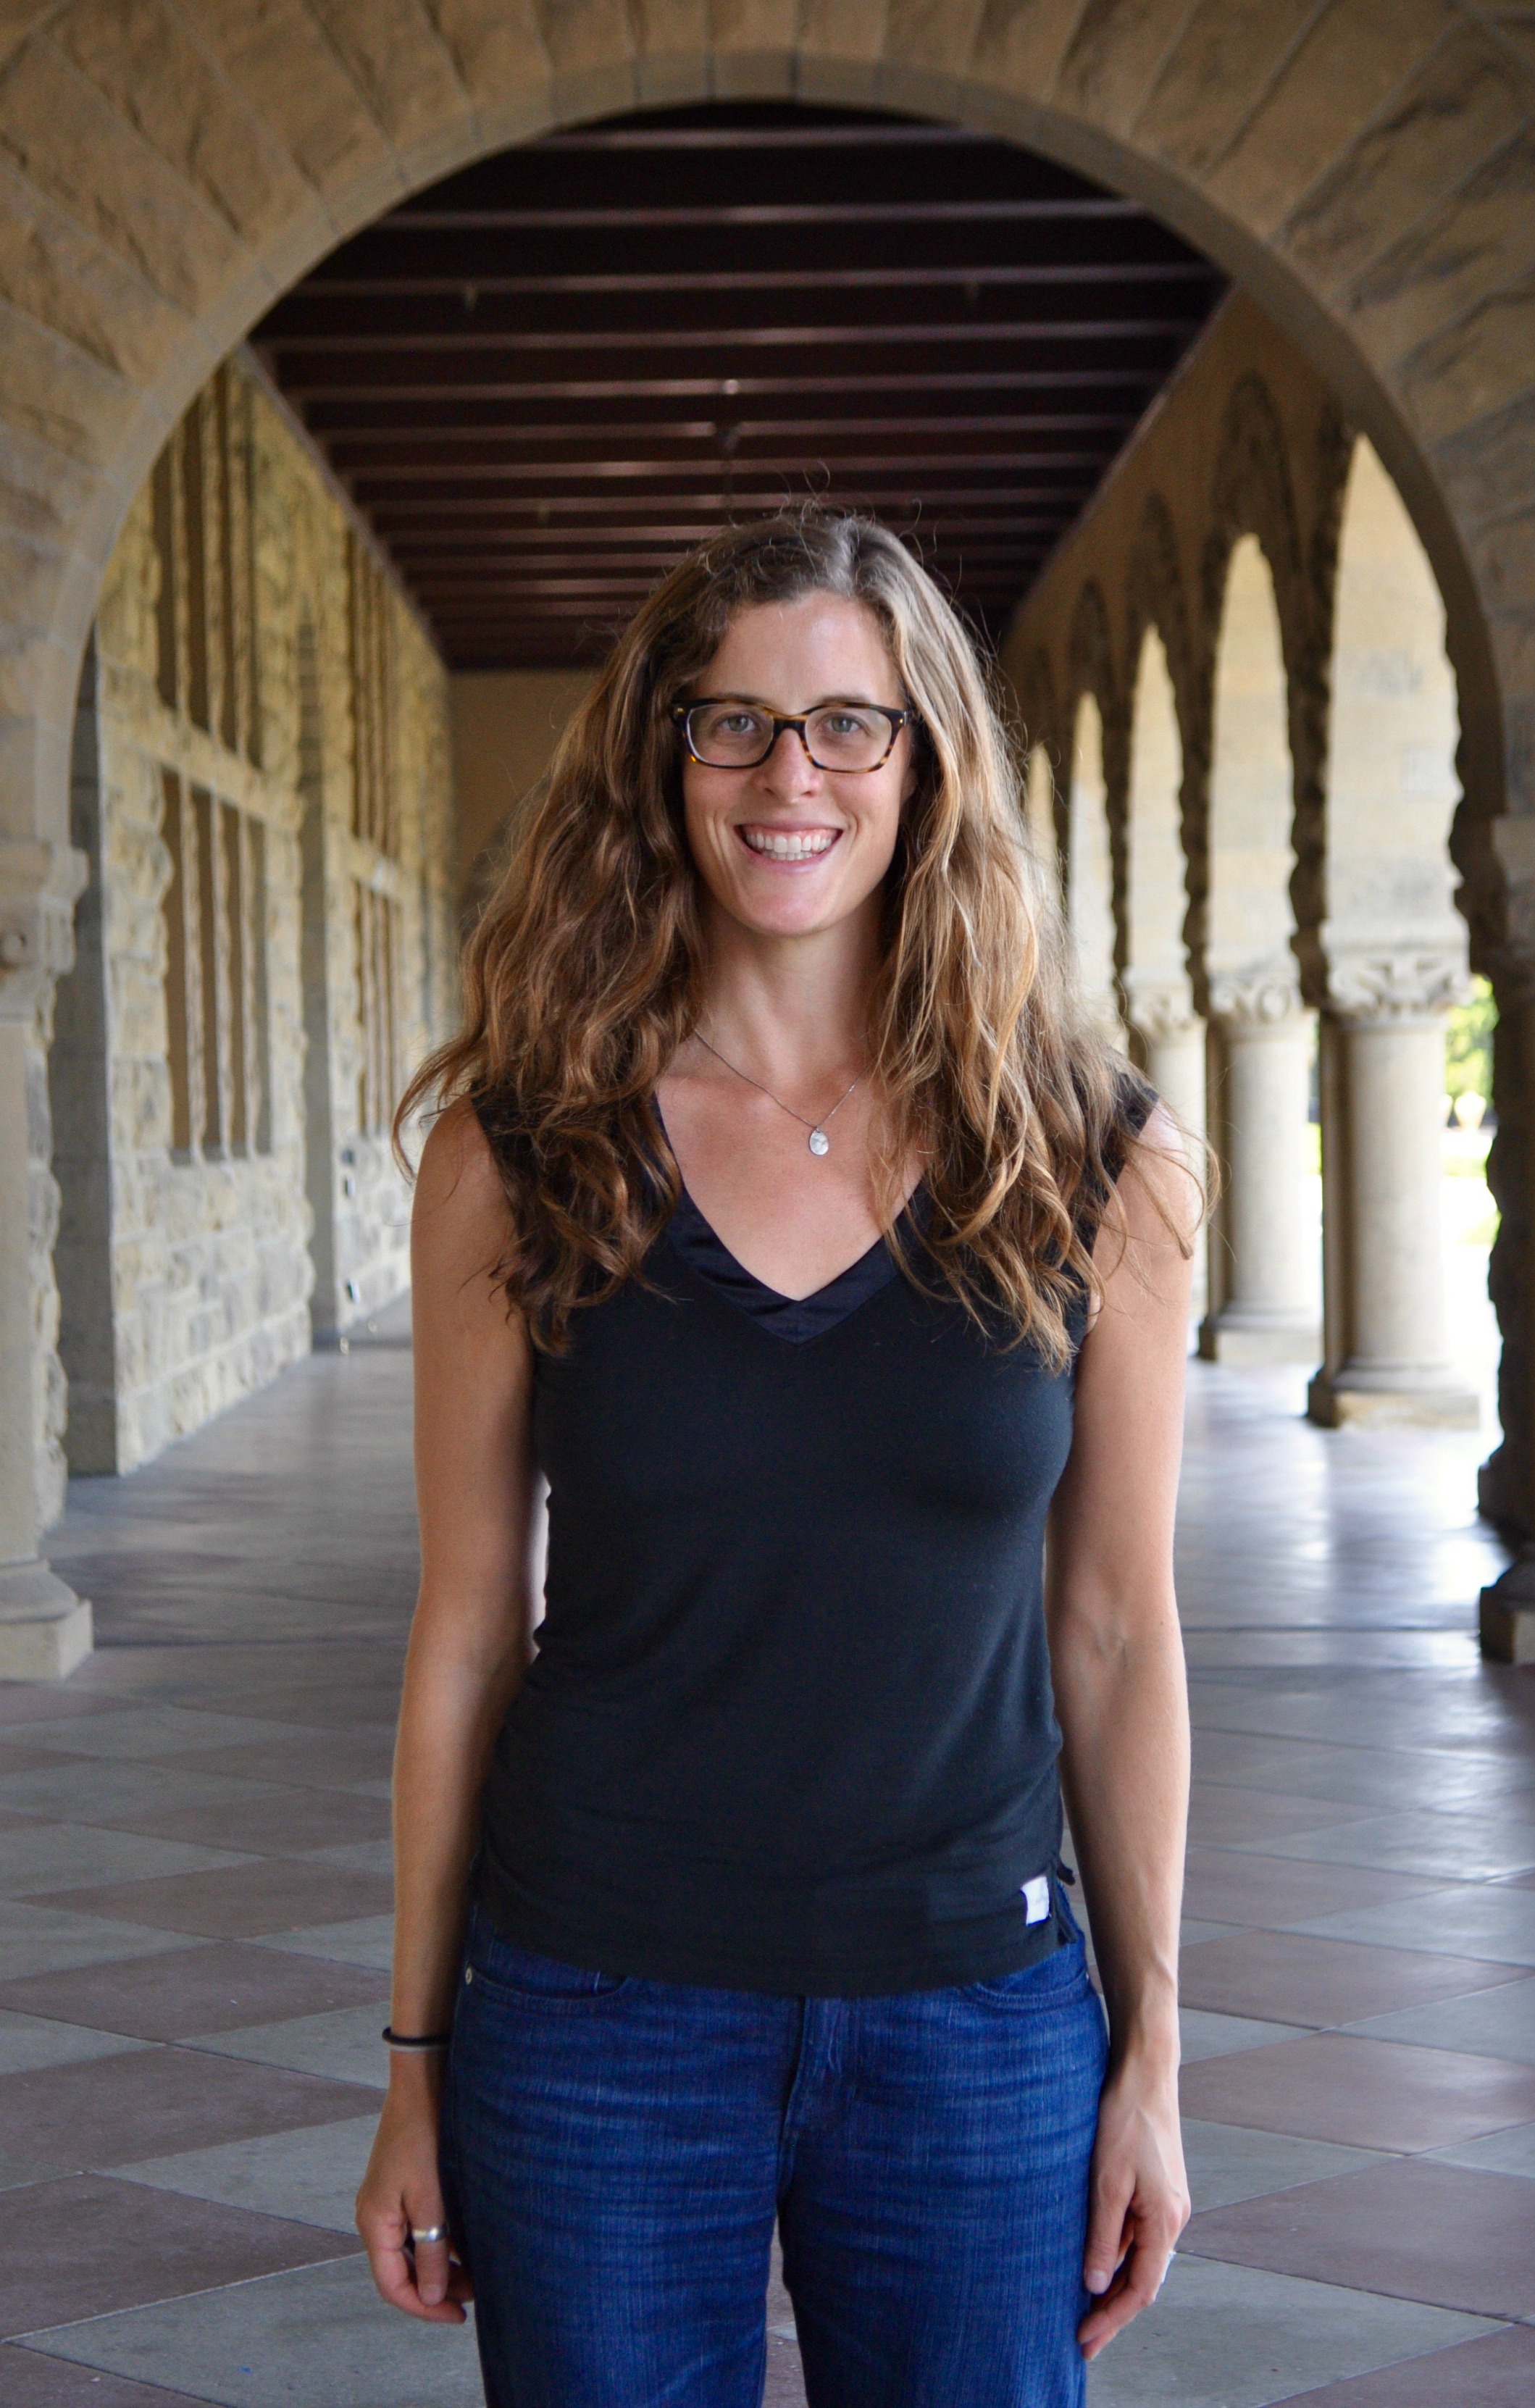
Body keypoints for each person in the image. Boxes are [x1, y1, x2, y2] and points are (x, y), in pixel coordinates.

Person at [356, 511, 1194, 2407]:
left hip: (978, 2018)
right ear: (658, 761)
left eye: (846, 723)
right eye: (728, 722)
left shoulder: (1095, 1161)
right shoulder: (520, 1149)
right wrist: (414, 2060)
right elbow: (472, 1629)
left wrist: (1149, 2052)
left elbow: (1119, 1631)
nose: (787, 773)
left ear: (929, 761)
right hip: (596, 2009)